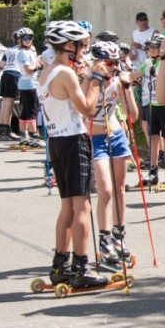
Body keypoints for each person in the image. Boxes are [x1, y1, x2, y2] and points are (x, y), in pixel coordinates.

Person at [37, 20, 108, 289]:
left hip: (56, 140)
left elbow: (67, 98)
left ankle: (60, 265)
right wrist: (97, 80)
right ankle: (80, 267)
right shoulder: (65, 73)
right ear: (69, 46)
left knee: (67, 205)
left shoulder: (48, 71)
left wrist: (85, 78)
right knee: (82, 206)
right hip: (73, 139)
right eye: (81, 46)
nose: (83, 51)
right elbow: (88, 109)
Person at [88, 40, 138, 264]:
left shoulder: (117, 81)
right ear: (98, 62)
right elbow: (85, 110)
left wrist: (127, 89)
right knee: (106, 191)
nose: (114, 67)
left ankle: (119, 236)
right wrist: (95, 81)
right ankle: (104, 238)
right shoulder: (88, 80)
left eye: (117, 63)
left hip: (116, 135)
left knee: (119, 189)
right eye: (109, 63)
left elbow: (133, 116)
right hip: (95, 136)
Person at [130, 34, 165, 186]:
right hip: (151, 104)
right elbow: (135, 75)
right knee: (153, 138)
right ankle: (153, 171)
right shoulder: (147, 62)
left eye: (155, 47)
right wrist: (123, 75)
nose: (151, 50)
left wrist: (158, 71)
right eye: (149, 47)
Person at [0, 29, 23, 141]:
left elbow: (1, 65)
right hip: (15, 74)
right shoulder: (24, 50)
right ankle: (7, 130)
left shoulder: (9, 50)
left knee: (5, 103)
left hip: (6, 74)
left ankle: (2, 129)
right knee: (10, 104)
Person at [16, 28, 40, 145]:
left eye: (29, 38)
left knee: (25, 111)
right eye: (25, 38)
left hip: (27, 84)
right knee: (31, 111)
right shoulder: (23, 53)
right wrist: (37, 64)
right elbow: (28, 69)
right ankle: (33, 135)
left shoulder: (29, 51)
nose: (27, 40)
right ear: (20, 40)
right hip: (29, 84)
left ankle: (23, 135)